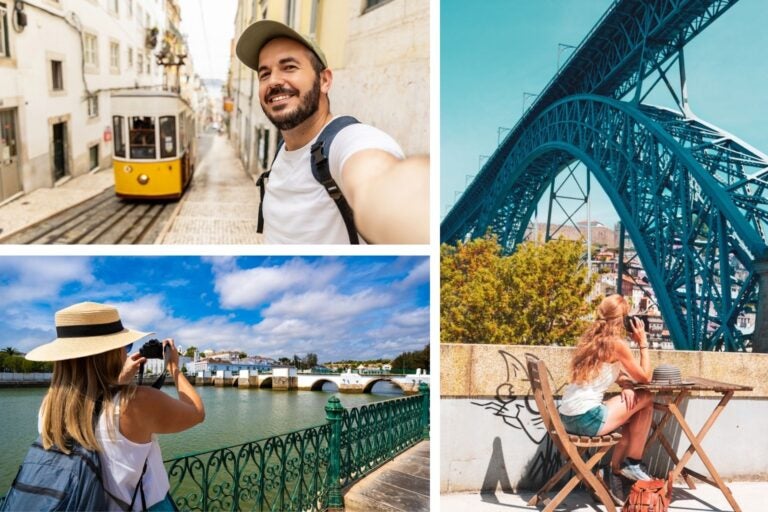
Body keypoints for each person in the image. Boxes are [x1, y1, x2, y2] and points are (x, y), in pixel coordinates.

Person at [235, 20, 429, 244]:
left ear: (324, 80)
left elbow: (380, 183)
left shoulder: (348, 142)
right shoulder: (283, 150)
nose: (274, 81)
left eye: (289, 67)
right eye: (264, 74)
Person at [23, 302, 205, 510]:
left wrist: (118, 382)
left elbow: (94, 408)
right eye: (125, 347)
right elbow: (197, 413)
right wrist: (173, 368)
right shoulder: (136, 401)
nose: (126, 353)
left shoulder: (49, 407)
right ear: (109, 353)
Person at [558, 294, 654, 489]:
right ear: (623, 320)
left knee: (636, 409)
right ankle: (632, 463)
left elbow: (606, 372)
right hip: (587, 420)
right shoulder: (617, 345)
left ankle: (614, 470)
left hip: (567, 417)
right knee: (647, 397)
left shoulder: (591, 339)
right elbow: (645, 378)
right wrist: (643, 343)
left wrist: (626, 386)